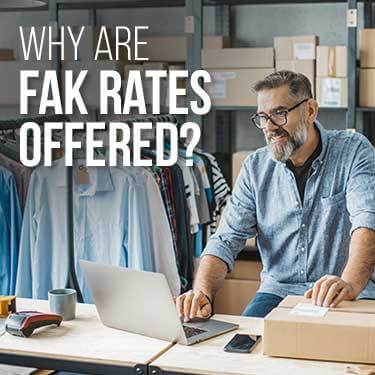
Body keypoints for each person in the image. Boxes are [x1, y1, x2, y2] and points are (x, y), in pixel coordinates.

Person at [176, 70, 375, 320]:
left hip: (342, 293)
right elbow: (225, 239)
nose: (269, 127)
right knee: (243, 352)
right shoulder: (255, 168)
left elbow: (367, 221)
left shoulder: (354, 151)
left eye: (279, 114)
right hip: (278, 293)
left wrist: (350, 283)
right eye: (262, 117)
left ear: (310, 110)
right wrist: (201, 293)